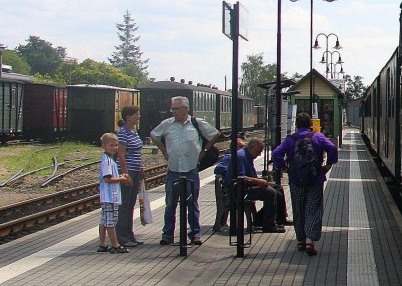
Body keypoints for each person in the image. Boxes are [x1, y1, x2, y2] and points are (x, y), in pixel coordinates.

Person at [150, 96, 225, 247]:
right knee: (171, 203)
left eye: (177, 109)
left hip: (191, 169)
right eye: (173, 109)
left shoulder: (196, 123)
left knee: (192, 203)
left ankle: (195, 233)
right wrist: (164, 151)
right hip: (173, 169)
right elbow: (154, 135)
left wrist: (204, 150)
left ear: (185, 109)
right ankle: (168, 234)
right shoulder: (167, 124)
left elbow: (215, 134)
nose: (174, 112)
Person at [272, 111, 338, 255]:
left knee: (298, 208)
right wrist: (328, 166)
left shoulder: (290, 139)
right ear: (310, 124)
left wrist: (283, 168)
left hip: (296, 180)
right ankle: (310, 241)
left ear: (296, 125)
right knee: (313, 209)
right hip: (316, 178)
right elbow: (332, 148)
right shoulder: (318, 137)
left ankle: (300, 240)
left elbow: (276, 153)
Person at [213, 138, 281, 233]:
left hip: (243, 187)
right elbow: (242, 178)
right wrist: (258, 181)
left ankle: (273, 219)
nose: (259, 154)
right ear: (251, 148)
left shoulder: (247, 155)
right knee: (271, 193)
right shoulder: (241, 156)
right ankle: (268, 225)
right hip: (239, 190)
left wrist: (261, 181)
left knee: (278, 188)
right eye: (258, 151)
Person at [115, 106, 145, 247]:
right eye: (136, 115)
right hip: (126, 171)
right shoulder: (122, 133)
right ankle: (122, 237)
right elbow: (121, 154)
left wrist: (141, 169)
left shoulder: (134, 132)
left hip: (135, 171)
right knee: (124, 205)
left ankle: (130, 234)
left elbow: (137, 153)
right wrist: (126, 175)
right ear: (128, 117)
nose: (138, 117)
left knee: (131, 204)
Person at [98, 133, 130, 253]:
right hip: (110, 196)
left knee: (104, 220)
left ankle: (102, 244)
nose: (114, 148)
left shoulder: (109, 159)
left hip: (108, 196)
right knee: (111, 221)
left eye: (116, 145)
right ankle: (115, 245)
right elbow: (107, 179)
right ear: (104, 146)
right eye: (111, 145)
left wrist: (119, 176)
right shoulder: (107, 161)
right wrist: (121, 179)